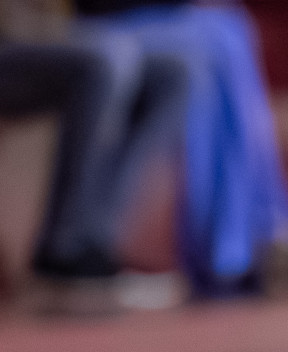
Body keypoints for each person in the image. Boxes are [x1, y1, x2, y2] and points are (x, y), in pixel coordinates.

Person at [74, 0, 288, 296]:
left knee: (230, 30)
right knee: (203, 53)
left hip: (164, 16)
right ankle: (232, 244)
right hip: (103, 21)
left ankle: (250, 236)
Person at [0, 0, 185, 297]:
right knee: (102, 62)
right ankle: (62, 252)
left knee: (172, 74)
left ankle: (96, 243)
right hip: (12, 39)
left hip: (50, 33)